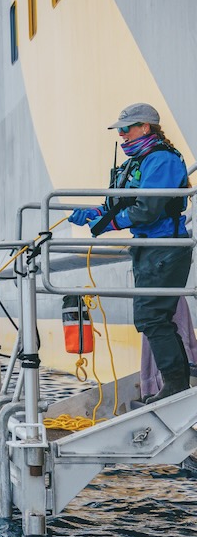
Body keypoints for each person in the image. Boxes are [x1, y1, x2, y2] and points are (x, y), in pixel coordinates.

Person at [68, 102, 193, 404]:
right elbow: (120, 203)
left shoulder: (161, 159)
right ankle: (178, 381)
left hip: (165, 247)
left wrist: (108, 223)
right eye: (119, 131)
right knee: (156, 316)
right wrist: (94, 213)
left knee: (151, 316)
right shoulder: (136, 162)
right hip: (149, 249)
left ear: (146, 127)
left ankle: (176, 384)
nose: (121, 135)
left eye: (126, 128)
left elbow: (148, 209)